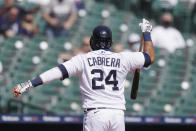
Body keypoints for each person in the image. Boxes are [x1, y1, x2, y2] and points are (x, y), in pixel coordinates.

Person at [12, 19, 155, 131]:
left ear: (92, 41)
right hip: (117, 114)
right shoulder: (124, 58)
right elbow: (149, 58)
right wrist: (147, 32)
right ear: (111, 42)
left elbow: (58, 71)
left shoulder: (83, 59)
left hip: (95, 114)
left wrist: (30, 83)